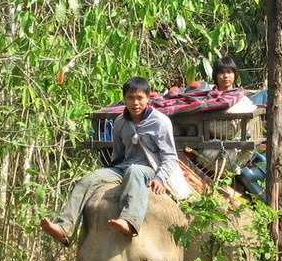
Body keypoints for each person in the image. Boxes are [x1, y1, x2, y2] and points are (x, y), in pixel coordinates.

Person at [41, 76, 179, 244]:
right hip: (124, 167)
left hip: (148, 168)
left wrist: (159, 177)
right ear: (124, 99)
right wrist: (107, 172)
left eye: (140, 98)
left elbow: (170, 156)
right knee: (88, 179)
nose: (135, 103)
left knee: (135, 171)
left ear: (148, 98)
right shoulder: (120, 122)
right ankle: (65, 227)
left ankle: (129, 221)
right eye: (130, 98)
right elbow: (119, 154)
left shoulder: (160, 122)